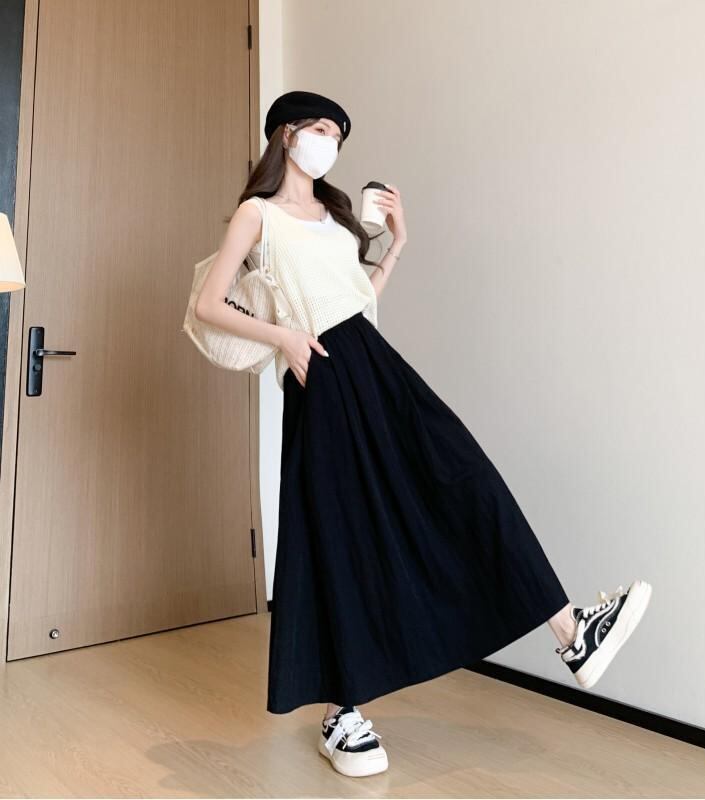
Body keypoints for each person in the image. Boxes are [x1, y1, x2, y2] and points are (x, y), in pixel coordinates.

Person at [195, 90, 653, 779]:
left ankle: (570, 631)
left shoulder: (335, 217)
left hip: (373, 362)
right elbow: (208, 303)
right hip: (324, 376)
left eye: (338, 136)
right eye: (320, 130)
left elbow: (355, 300)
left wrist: (398, 244)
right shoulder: (257, 214)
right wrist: (282, 337)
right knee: (340, 536)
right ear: (286, 135)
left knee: (465, 479)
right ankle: (341, 711)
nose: (330, 144)